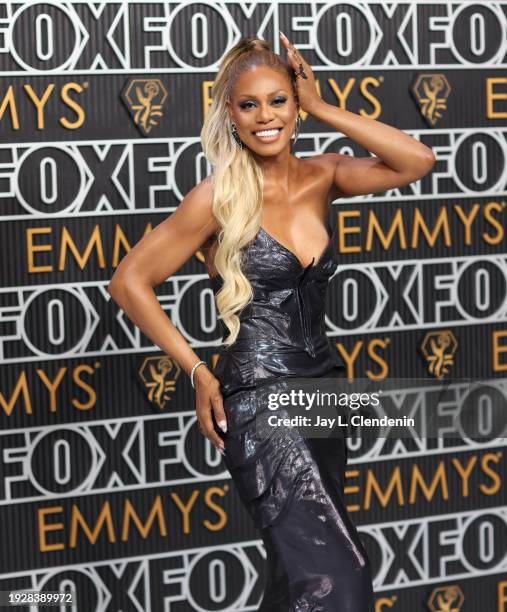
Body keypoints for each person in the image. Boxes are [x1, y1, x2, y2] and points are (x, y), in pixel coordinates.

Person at [107, 34, 435, 611]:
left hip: (323, 392)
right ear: (229, 114)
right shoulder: (215, 198)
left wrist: (326, 107)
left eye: (279, 101)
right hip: (261, 400)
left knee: (295, 581)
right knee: (337, 576)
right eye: (249, 104)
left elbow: (419, 160)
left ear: (295, 104)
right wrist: (197, 373)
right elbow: (129, 281)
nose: (266, 117)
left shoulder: (324, 175)